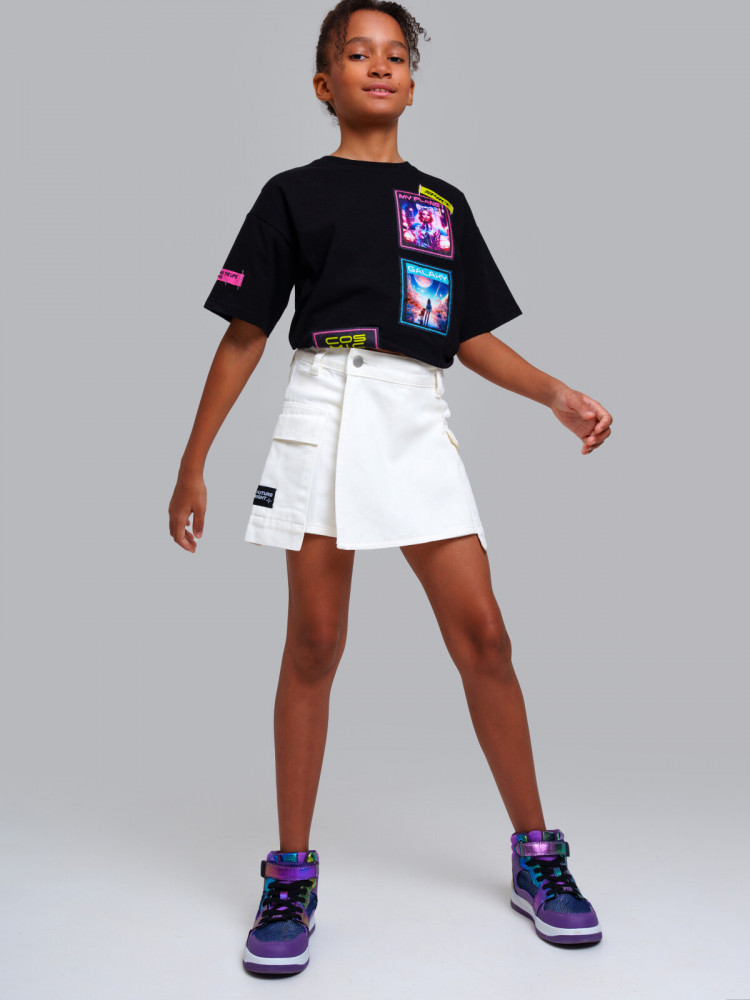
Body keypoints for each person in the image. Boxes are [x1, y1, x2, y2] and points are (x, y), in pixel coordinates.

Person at [168, 0, 613, 978]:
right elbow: (244, 333)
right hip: (325, 403)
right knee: (315, 642)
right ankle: (290, 874)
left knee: (484, 635)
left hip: (415, 416)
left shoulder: (439, 204)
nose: (380, 65)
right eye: (357, 53)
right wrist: (194, 461)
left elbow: (467, 333)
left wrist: (555, 393)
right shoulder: (291, 194)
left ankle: (537, 856)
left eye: (396, 55)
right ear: (324, 83)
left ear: (412, 82)